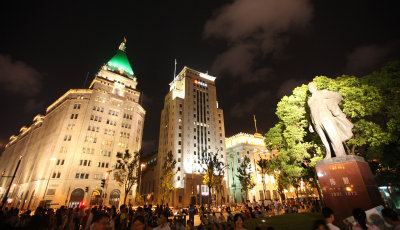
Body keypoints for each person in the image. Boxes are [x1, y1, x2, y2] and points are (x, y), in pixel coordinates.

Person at [308, 83, 354, 158]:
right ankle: (329, 154)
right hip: (316, 121)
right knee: (324, 139)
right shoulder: (310, 101)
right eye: (310, 88)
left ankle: (341, 154)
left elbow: (338, 96)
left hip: (326, 118)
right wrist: (310, 124)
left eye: (312, 87)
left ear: (316, 87)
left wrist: (330, 97)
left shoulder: (323, 93)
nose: (311, 89)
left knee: (333, 136)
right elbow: (311, 112)